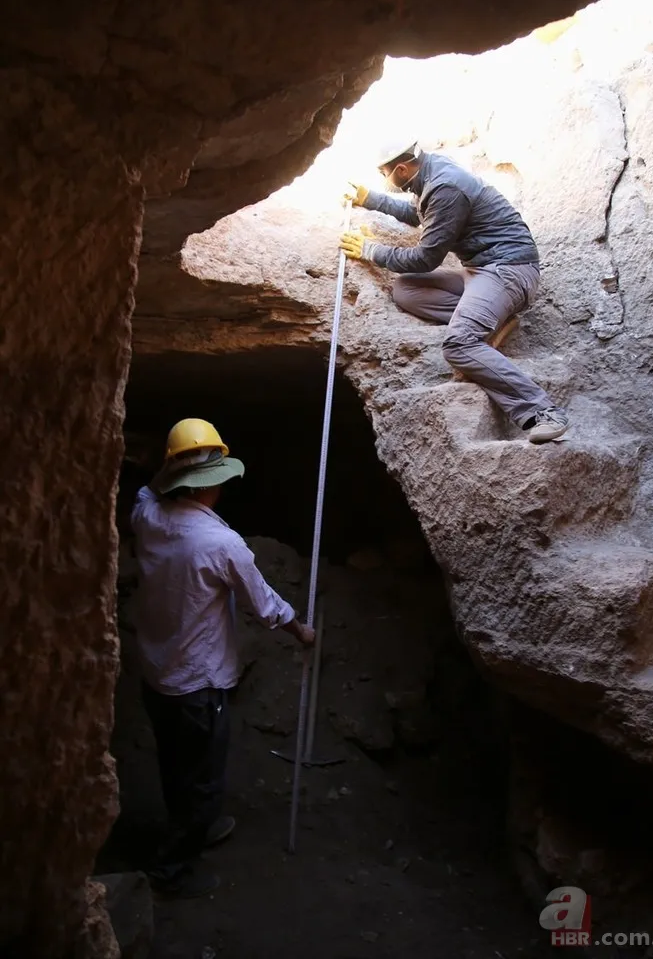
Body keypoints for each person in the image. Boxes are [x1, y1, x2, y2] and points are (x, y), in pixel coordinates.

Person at [130, 417, 314, 898]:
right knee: (205, 776)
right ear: (213, 484)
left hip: (155, 674)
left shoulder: (146, 517)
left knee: (174, 763)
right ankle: (169, 869)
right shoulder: (221, 544)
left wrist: (165, 466)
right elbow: (265, 605)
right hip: (197, 683)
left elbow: (148, 492)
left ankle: (187, 823)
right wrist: (301, 631)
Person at [340, 139, 569, 444]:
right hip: (481, 272)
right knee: (405, 289)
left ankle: (543, 413)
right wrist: (370, 199)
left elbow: (425, 258)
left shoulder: (446, 186)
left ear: (401, 168)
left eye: (384, 174)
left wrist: (371, 250)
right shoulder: (430, 173)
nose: (385, 180)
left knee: (458, 344)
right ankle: (491, 317)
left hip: (508, 270)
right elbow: (419, 214)